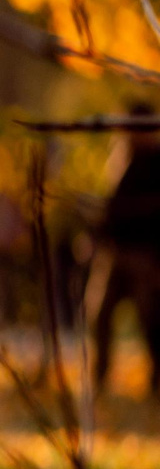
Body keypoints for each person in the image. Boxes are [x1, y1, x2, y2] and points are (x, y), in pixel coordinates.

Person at [94, 105, 160, 396]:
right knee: (100, 317)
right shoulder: (123, 162)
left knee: (151, 322)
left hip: (145, 255)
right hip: (117, 254)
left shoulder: (155, 162)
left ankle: (157, 378)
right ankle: (99, 377)